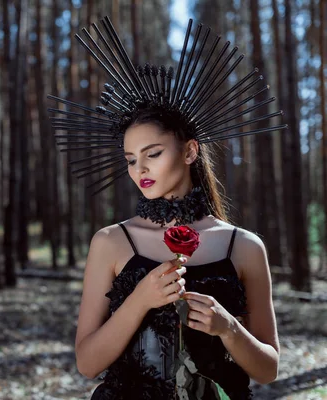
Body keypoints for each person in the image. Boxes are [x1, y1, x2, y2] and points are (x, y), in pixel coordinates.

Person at [48, 17, 282, 400]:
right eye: (129, 159)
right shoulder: (110, 242)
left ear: (190, 151)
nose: (139, 168)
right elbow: (87, 363)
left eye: (153, 153)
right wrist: (140, 300)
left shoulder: (244, 246)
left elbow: (269, 369)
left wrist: (229, 329)